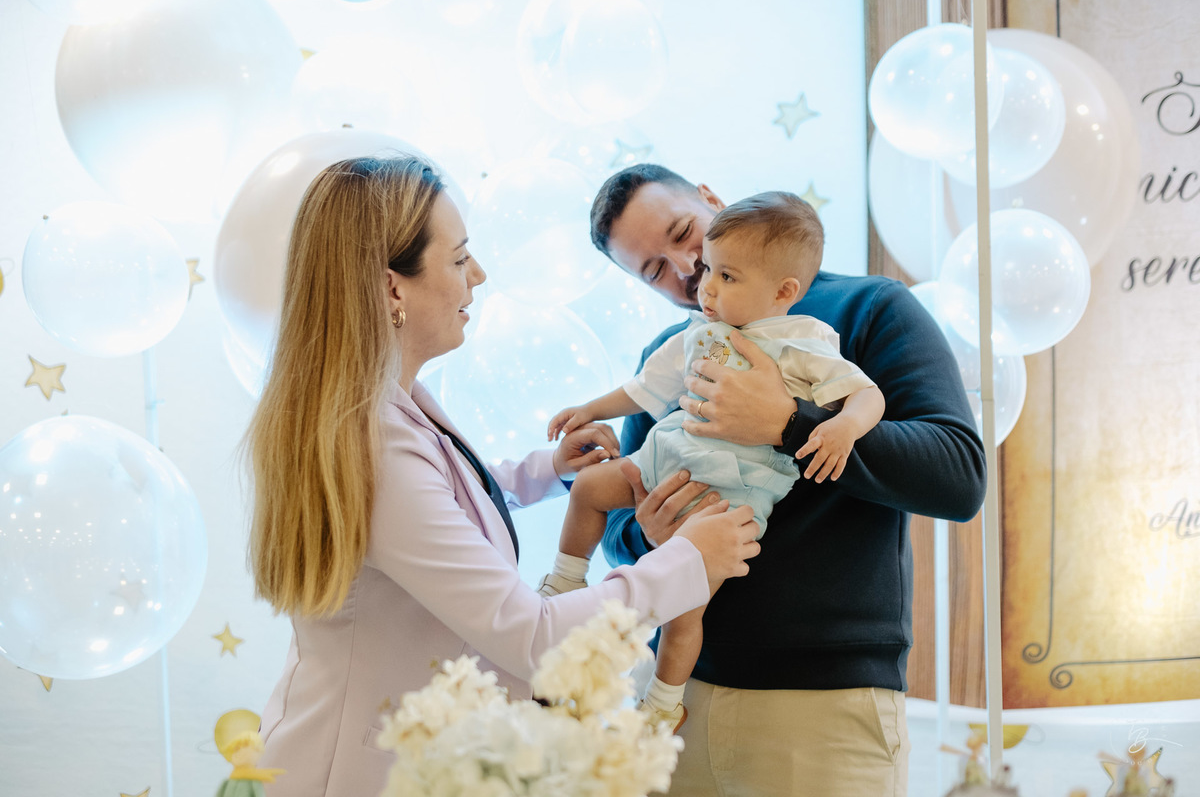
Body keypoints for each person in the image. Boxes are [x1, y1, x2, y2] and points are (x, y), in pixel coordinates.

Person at [244, 156, 762, 797]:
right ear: (393, 289)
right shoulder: (376, 443)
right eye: (460, 259)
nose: (479, 276)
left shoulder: (391, 407)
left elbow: (447, 496)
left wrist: (547, 471)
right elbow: (535, 639)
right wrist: (688, 561)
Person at [590, 164, 988, 796]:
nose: (687, 267)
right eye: (655, 270)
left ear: (712, 200)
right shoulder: (675, 351)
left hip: (824, 708)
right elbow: (619, 529)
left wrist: (789, 423)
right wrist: (647, 533)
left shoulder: (869, 309)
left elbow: (958, 474)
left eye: (683, 232)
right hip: (676, 697)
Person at [539, 191, 885, 732]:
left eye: (725, 275)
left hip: (726, 503)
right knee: (587, 489)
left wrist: (842, 426)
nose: (704, 285)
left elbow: (866, 394)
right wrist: (591, 409)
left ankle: (662, 703)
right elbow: (642, 389)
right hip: (665, 463)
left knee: (685, 614)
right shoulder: (694, 333)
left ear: (783, 291)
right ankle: (564, 583)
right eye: (707, 272)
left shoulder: (803, 341)